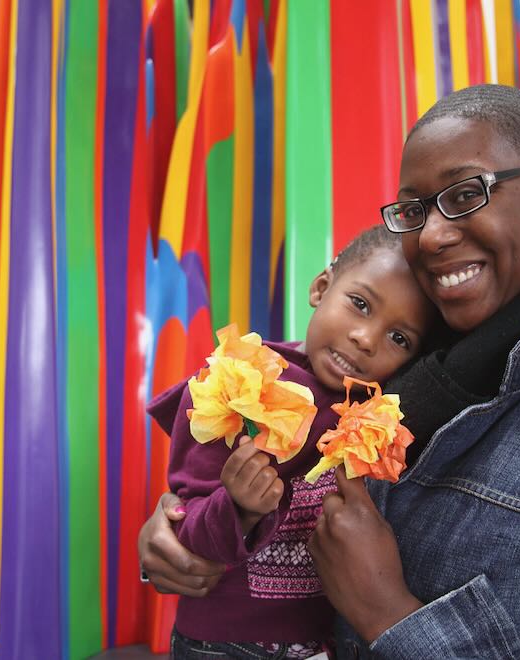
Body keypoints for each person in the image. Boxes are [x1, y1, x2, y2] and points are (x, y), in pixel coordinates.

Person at [139, 84, 520, 658]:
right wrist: (181, 530)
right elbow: (253, 487)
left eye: (467, 193)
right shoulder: (382, 376)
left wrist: (387, 614)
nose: (434, 235)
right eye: (415, 210)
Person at [147, 225, 437, 659]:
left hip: (325, 643)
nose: (365, 338)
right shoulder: (235, 386)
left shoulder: (382, 419)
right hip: (222, 644)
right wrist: (240, 507)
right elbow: (183, 540)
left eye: (399, 338)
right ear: (321, 287)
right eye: (360, 304)